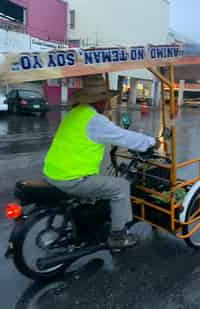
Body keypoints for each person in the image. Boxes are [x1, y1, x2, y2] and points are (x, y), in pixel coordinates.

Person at [43, 74, 155, 249]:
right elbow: (123, 136)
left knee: (102, 182)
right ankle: (118, 236)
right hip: (72, 179)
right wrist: (150, 142)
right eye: (104, 99)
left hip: (53, 172)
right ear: (98, 101)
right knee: (121, 187)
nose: (106, 103)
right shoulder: (95, 120)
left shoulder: (75, 114)